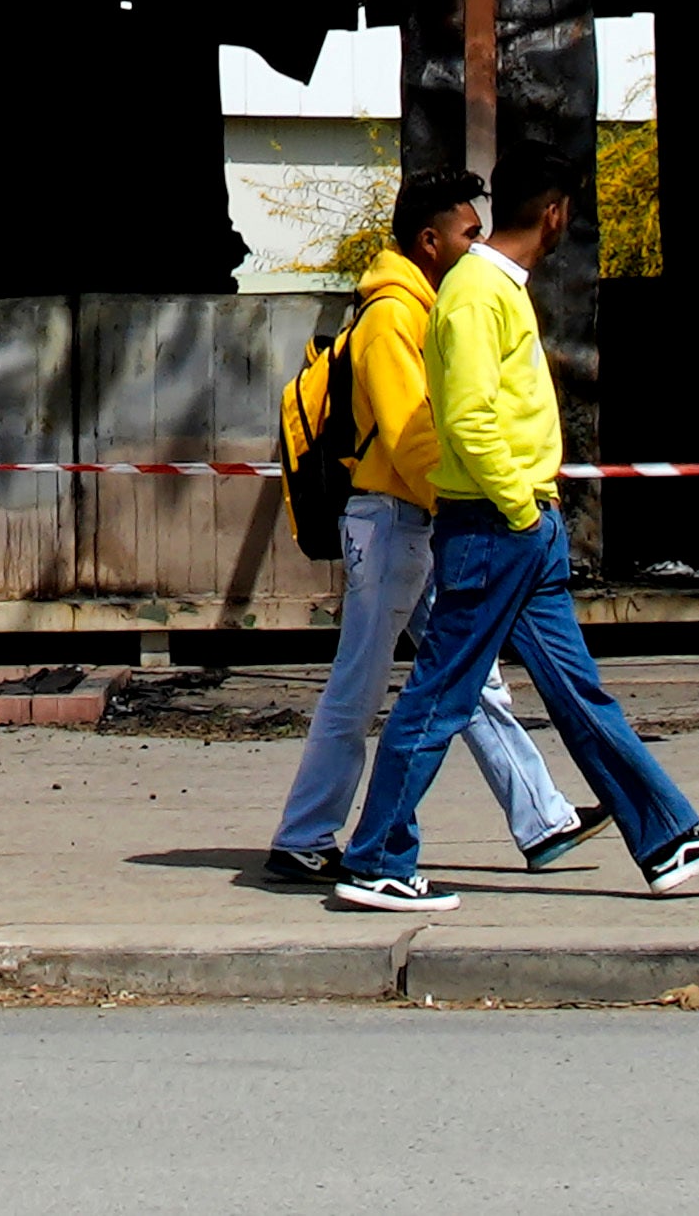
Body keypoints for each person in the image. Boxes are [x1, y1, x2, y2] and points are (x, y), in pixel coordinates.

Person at [326, 177, 699, 911]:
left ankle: (664, 836)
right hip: (498, 525)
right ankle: (374, 857)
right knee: (441, 692)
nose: (466, 241)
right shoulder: (472, 292)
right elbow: (465, 418)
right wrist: (519, 507)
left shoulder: (491, 286)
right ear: (554, 212)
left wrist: (533, 512)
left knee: (576, 692)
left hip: (522, 524)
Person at [260, 168, 604, 889]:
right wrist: (463, 507)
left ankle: (543, 820)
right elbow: (413, 432)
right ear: (429, 240)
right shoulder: (393, 315)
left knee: (468, 676)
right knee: (364, 682)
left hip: (410, 520)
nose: (477, 241)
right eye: (467, 232)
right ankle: (303, 834)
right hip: (392, 523)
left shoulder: (418, 303)